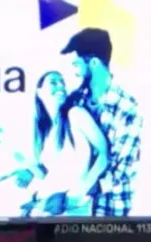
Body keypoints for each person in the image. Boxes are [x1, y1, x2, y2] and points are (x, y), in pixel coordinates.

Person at [61, 28, 141, 217]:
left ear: (94, 63)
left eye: (77, 65)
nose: (75, 72)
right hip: (74, 207)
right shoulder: (76, 100)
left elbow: (122, 169)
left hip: (110, 209)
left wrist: (76, 193)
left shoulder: (127, 108)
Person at [27, 70, 107, 217]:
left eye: (62, 83)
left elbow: (104, 154)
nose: (60, 86)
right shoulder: (46, 131)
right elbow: (52, 174)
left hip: (73, 207)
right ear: (39, 92)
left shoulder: (75, 114)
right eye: (53, 82)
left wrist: (79, 193)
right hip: (48, 206)